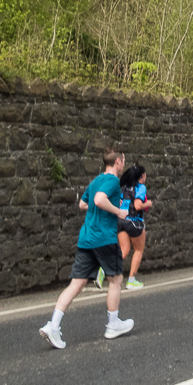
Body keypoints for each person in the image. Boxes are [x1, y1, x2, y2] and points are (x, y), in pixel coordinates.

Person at [39, 149, 133, 350]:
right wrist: (118, 212)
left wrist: (100, 208)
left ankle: (53, 325)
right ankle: (113, 324)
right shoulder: (112, 181)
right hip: (104, 238)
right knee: (115, 279)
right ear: (117, 162)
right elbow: (99, 200)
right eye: (123, 161)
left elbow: (83, 204)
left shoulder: (95, 180)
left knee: (76, 284)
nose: (124, 164)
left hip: (86, 238)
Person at [107, 162, 152, 289]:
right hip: (134, 222)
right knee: (138, 250)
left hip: (121, 221)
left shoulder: (124, 187)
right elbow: (138, 205)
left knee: (124, 250)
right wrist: (148, 204)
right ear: (142, 176)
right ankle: (131, 280)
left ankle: (104, 269)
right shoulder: (140, 187)